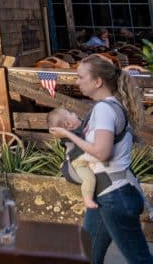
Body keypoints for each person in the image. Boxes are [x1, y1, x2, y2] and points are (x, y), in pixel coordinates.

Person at [48, 55, 153, 264]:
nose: (77, 82)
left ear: (97, 82)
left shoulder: (104, 109)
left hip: (115, 197)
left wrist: (67, 135)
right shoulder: (109, 106)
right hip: (107, 195)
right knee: (86, 255)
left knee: (139, 259)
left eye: (81, 77)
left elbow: (102, 152)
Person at [49, 108, 101, 209]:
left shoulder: (80, 127)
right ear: (68, 124)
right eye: (71, 113)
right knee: (89, 179)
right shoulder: (71, 136)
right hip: (79, 164)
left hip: (87, 159)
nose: (74, 113)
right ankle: (87, 199)